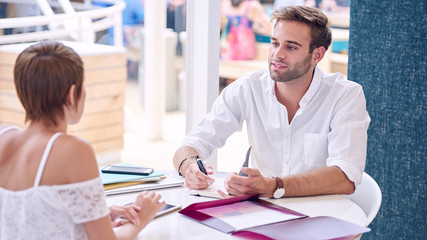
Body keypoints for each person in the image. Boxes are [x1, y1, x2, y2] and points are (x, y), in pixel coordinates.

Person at [173, 6, 370, 199]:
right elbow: (189, 146)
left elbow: (345, 177)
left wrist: (275, 186)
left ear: (317, 55)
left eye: (291, 47)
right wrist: (189, 167)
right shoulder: (248, 88)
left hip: (320, 219)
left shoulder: (345, 95)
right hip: (261, 214)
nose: (278, 54)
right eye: (275, 43)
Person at [0, 42, 165, 239]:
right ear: (71, 94)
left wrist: (97, 216)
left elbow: (24, 218)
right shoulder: (74, 151)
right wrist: (142, 218)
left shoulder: (4, 137)